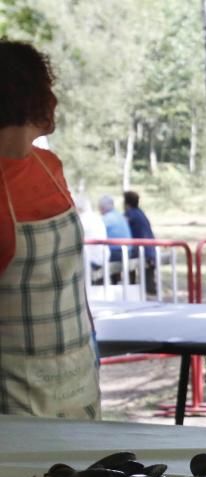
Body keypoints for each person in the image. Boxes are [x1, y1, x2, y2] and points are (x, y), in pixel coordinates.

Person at [0, 40, 101, 418]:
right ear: (30, 97)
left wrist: (92, 342)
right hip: (15, 395)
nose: (55, 99)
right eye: (48, 86)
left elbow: (71, 277)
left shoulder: (50, 165)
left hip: (79, 375)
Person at [122, 190, 157, 294]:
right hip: (150, 249)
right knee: (149, 283)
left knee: (126, 260)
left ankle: (131, 288)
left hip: (142, 251)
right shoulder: (140, 212)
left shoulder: (129, 215)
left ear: (126, 203)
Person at [97, 194, 133, 271]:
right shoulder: (119, 215)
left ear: (102, 208)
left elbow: (96, 232)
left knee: (95, 259)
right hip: (128, 251)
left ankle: (96, 282)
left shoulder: (107, 219)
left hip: (118, 253)